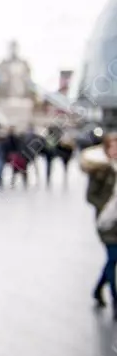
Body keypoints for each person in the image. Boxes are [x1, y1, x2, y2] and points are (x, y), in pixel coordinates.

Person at [81, 132, 117, 319]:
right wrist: (106, 207)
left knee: (113, 259)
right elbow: (90, 196)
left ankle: (97, 288)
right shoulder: (101, 170)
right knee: (113, 258)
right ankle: (115, 299)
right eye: (113, 146)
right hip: (107, 222)